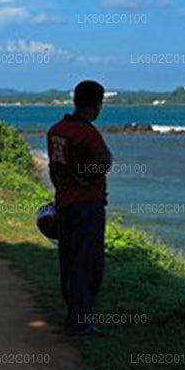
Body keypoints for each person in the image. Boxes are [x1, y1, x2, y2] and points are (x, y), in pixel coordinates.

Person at [47, 80, 113, 337]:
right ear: (97, 104)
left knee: (69, 260)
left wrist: (66, 184)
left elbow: (54, 168)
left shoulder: (56, 130)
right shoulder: (88, 134)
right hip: (87, 204)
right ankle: (80, 321)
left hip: (65, 202)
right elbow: (104, 162)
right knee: (88, 263)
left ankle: (74, 312)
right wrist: (86, 178)